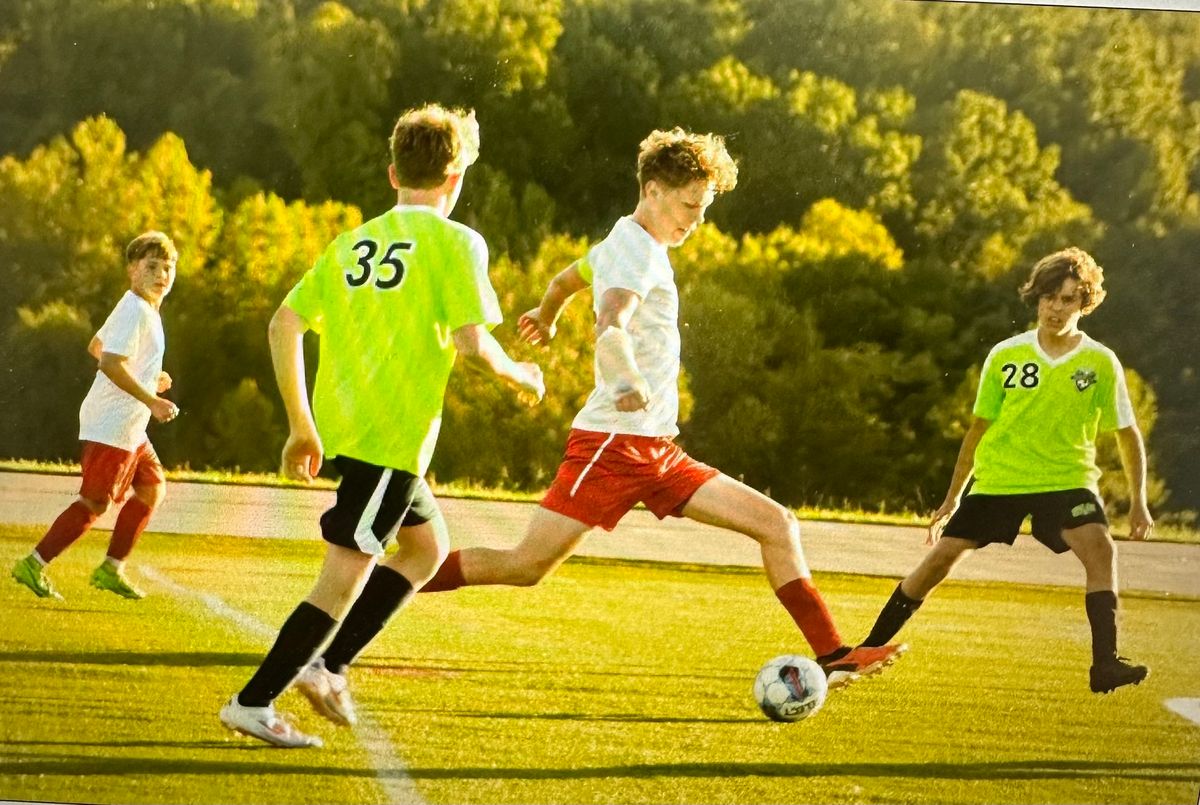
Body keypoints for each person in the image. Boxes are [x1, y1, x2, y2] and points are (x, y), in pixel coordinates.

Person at [288, 128, 906, 733]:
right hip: (611, 446)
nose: (695, 219)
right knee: (524, 566)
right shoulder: (636, 249)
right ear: (655, 189)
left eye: (704, 209)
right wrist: (625, 375)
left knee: (777, 525)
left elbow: (568, 278)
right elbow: (610, 321)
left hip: (657, 450)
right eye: (690, 205)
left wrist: (546, 313)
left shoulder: (628, 240)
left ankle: (832, 654)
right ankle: (370, 604)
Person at [218, 104, 544, 748]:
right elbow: (477, 345)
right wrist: (523, 377)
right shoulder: (458, 243)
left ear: (393, 172)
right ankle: (254, 701)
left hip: (359, 434)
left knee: (425, 550)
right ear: (456, 181)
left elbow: (283, 323)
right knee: (343, 576)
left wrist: (301, 426)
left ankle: (331, 665)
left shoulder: (351, 242)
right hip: (390, 440)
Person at [858, 247, 1153, 694]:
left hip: (1066, 480)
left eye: (1069, 299)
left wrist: (1140, 504)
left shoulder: (1100, 362)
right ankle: (864, 651)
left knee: (1101, 551)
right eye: (1049, 297)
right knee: (938, 561)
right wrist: (954, 496)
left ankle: (1105, 664)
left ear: (1084, 304)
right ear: (1036, 299)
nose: (1056, 308)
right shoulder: (1005, 355)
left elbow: (1128, 435)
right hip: (1000, 480)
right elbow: (978, 430)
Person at [11, 231, 181, 601]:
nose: (161, 275)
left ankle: (111, 568)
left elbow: (96, 346)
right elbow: (108, 361)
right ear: (132, 270)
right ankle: (34, 563)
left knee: (152, 490)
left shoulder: (145, 309)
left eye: (168, 268)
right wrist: (152, 398)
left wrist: (150, 376)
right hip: (113, 425)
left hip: (130, 428)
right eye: (152, 266)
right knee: (95, 503)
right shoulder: (134, 308)